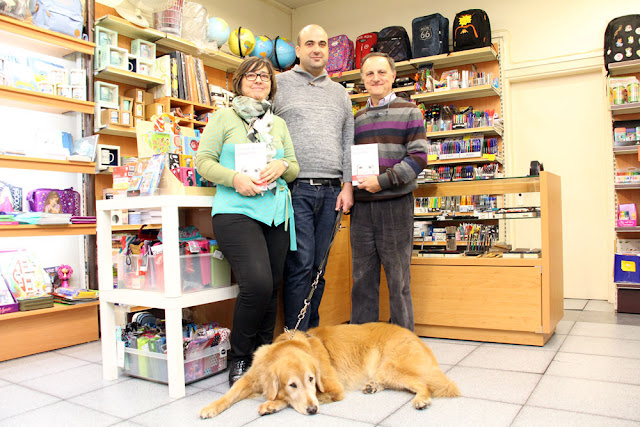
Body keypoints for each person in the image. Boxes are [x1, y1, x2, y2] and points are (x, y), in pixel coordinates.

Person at [195, 56, 300, 386]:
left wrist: (282, 166)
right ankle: (240, 358)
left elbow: (294, 166)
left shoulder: (278, 124)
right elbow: (203, 162)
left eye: (265, 77)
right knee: (256, 284)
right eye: (252, 75)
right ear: (239, 81)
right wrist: (233, 178)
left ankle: (264, 358)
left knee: (271, 290)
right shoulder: (224, 118)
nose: (259, 80)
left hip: (274, 214)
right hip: (236, 211)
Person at [273, 24, 354, 332]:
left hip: (333, 192)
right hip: (296, 189)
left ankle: (312, 337)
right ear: (298, 50)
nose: (317, 48)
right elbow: (264, 132)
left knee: (319, 269)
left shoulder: (341, 94)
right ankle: (296, 340)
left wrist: (347, 185)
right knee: (300, 266)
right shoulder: (279, 85)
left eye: (322, 43)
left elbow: (349, 143)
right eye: (310, 43)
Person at [349, 52, 428, 331]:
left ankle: (404, 347)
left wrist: (382, 181)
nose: (376, 78)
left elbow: (419, 157)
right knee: (362, 280)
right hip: (361, 209)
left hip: (395, 205)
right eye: (369, 74)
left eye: (382, 72)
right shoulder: (356, 118)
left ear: (393, 76)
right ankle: (361, 346)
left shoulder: (410, 111)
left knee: (398, 280)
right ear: (362, 80)